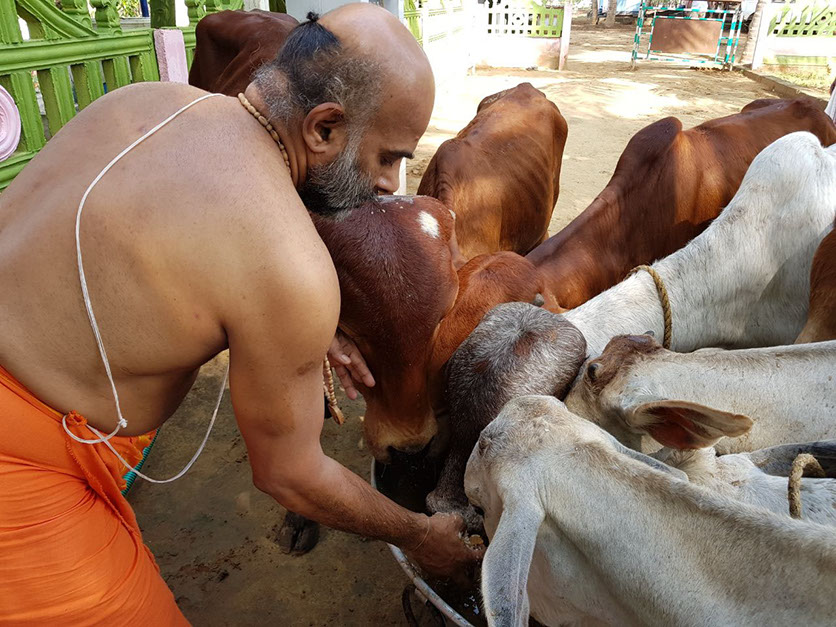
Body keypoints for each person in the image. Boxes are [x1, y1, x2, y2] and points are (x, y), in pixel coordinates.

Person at [0, 5, 482, 624]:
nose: (391, 183)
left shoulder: (143, 100)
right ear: (324, 128)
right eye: (388, 157)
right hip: (20, 472)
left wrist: (295, 325)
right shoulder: (287, 264)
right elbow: (291, 476)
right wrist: (421, 536)